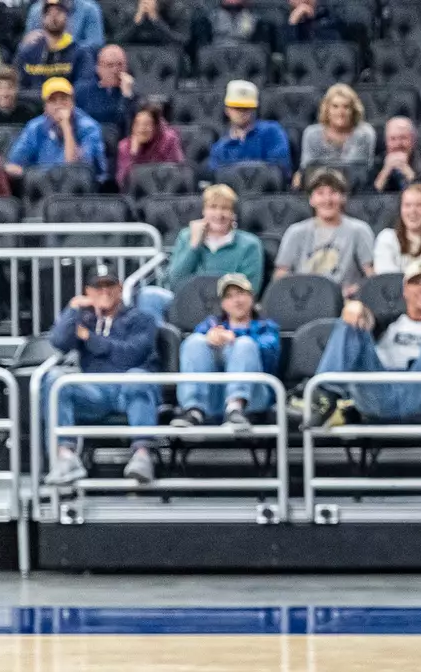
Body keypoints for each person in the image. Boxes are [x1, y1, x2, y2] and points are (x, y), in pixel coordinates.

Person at [308, 257, 421, 429]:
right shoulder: (389, 321)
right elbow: (366, 320)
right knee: (351, 321)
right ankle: (326, 397)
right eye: (416, 283)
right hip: (378, 391)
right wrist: (354, 307)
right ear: (405, 290)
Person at [45, 263, 162, 485]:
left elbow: (129, 357)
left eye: (109, 285)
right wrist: (72, 309)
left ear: (119, 288)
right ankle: (65, 457)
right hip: (95, 394)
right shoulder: (84, 318)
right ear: (87, 292)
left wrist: (90, 339)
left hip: (128, 393)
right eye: (97, 287)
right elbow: (58, 342)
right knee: (55, 381)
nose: (104, 292)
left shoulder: (141, 319)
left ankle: (142, 456)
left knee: (137, 378)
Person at [138, 182, 264, 320]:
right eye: (213, 207)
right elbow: (174, 281)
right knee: (149, 295)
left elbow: (251, 288)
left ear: (233, 214)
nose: (219, 214)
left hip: (228, 306)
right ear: (204, 211)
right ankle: (164, 340)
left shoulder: (250, 244)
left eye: (225, 208)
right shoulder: (186, 236)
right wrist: (194, 245)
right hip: (186, 303)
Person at [172, 272, 279, 429]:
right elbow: (191, 354)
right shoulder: (209, 326)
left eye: (241, 293)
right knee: (195, 341)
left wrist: (233, 338)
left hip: (254, 396)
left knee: (244, 345)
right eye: (229, 296)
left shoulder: (266, 328)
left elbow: (269, 355)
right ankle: (193, 410)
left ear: (252, 297)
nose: (236, 300)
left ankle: (235, 407)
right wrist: (211, 338)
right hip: (213, 395)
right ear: (223, 303)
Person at [275, 167, 375, 296]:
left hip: (345, 300)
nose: (327, 200)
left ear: (343, 198)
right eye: (320, 193)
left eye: (333, 192)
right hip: (304, 299)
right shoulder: (295, 232)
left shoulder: (359, 230)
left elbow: (371, 275)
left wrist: (353, 290)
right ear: (311, 199)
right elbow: (281, 275)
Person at [5, 76, 107, 181]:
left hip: (82, 190)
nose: (59, 105)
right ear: (45, 107)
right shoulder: (35, 127)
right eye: (53, 100)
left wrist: (66, 126)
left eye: (64, 99)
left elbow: (74, 169)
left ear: (72, 102)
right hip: (43, 187)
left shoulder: (89, 127)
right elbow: (12, 165)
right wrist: (35, 177)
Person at [207, 79, 291, 177]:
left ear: (253, 109)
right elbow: (216, 177)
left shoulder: (272, 132)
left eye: (246, 108)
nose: (242, 113)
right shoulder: (220, 148)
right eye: (237, 108)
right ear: (227, 110)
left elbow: (280, 169)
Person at [299, 83, 374, 186]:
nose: (340, 112)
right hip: (319, 187)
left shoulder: (364, 133)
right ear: (327, 109)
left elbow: (355, 170)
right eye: (335, 106)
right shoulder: (311, 134)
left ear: (353, 110)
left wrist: (324, 166)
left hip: (356, 188)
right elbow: (308, 169)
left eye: (346, 107)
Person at [14, 0, 94, 90]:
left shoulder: (80, 53)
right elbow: (19, 87)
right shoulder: (27, 53)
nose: (53, 16)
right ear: (42, 18)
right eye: (48, 13)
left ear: (67, 18)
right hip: (34, 103)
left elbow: (83, 88)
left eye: (59, 12)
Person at [114, 103, 181, 187]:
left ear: (156, 127)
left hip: (165, 191)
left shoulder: (169, 140)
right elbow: (122, 182)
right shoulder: (124, 146)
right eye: (137, 124)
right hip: (136, 194)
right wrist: (133, 154)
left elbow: (179, 173)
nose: (141, 128)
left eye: (146, 124)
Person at [73, 44, 133, 131]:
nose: (115, 70)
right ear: (98, 68)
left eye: (120, 65)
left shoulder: (130, 92)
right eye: (110, 65)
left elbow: (127, 125)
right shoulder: (82, 92)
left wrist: (126, 96)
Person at [373, 116, 421, 193]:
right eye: (393, 139)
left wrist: (408, 173)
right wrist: (385, 173)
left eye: (403, 138)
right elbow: (363, 199)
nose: (398, 144)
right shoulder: (376, 164)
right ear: (386, 142)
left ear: (413, 140)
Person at [23, 0, 103, 51]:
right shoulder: (36, 11)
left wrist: (66, 47)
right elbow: (26, 45)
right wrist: (28, 42)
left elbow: (95, 45)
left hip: (78, 64)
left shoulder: (89, 9)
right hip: (44, 64)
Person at [116, 0, 182, 47]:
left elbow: (180, 42)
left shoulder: (175, 7)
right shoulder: (127, 9)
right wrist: (136, 22)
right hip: (132, 52)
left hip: (166, 54)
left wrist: (156, 20)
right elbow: (117, 41)